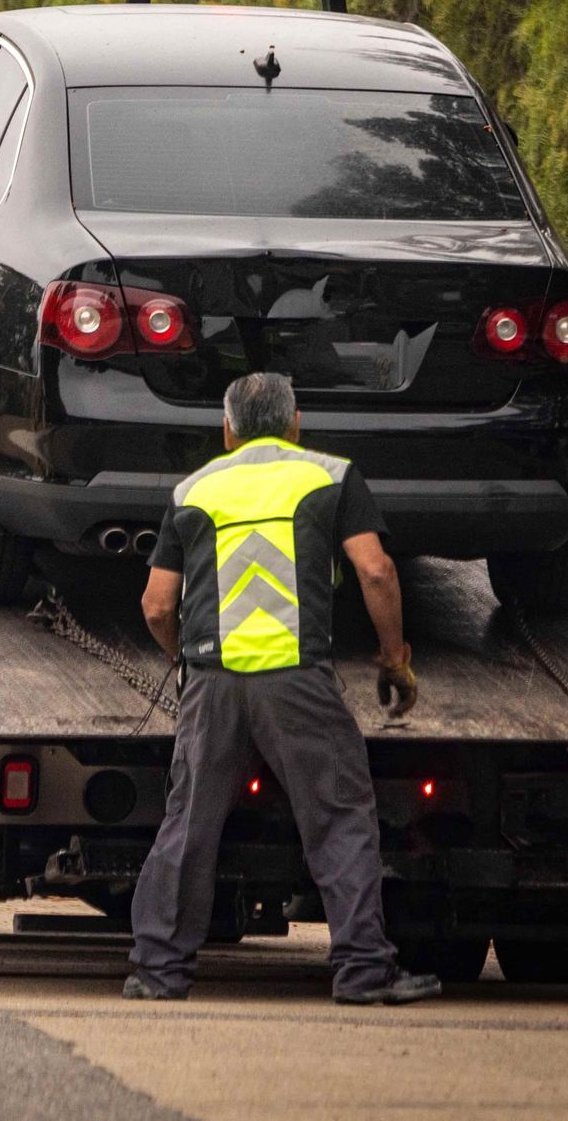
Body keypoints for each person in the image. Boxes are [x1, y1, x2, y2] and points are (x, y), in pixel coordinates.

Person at [124, 371, 438, 1005]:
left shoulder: (194, 489)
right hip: (296, 682)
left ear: (227, 429)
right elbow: (374, 570)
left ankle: (159, 971)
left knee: (189, 825)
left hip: (212, 683)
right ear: (296, 425)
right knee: (340, 817)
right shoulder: (328, 476)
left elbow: (158, 605)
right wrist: (393, 658)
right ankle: (362, 970)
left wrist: (188, 660)